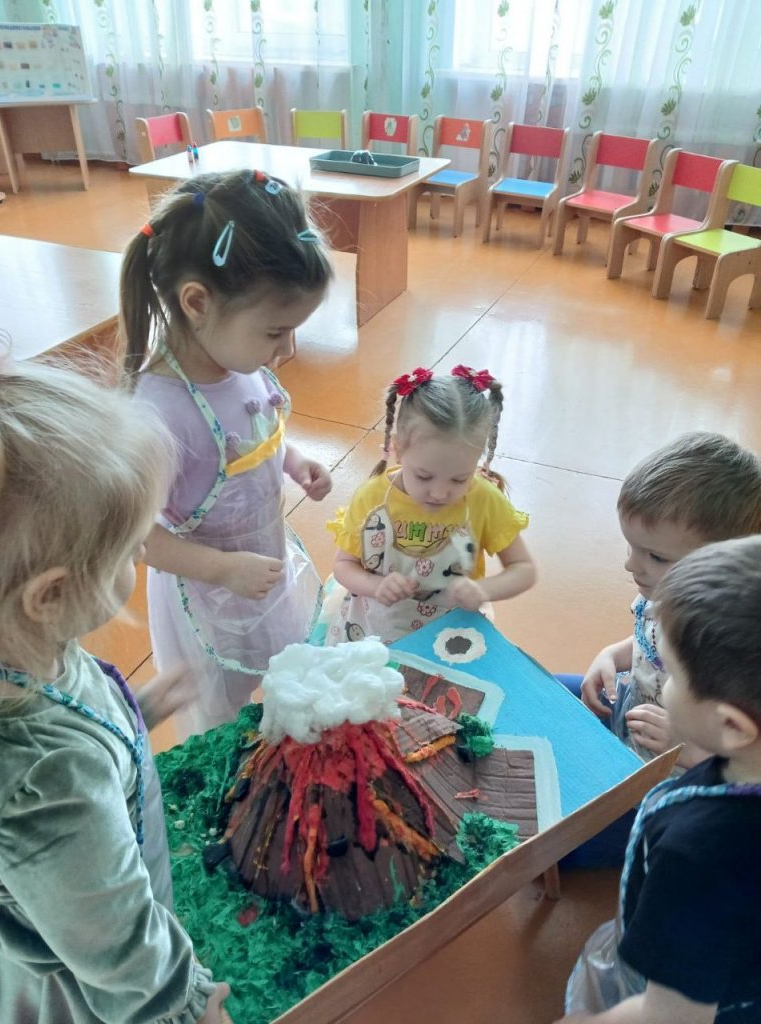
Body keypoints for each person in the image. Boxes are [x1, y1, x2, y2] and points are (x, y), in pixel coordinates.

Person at [0, 357, 229, 1023]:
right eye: (129, 550)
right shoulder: (49, 782)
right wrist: (188, 1006)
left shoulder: (25, 649)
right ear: (50, 595)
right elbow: (119, 948)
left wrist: (136, 714)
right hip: (82, 996)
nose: (142, 557)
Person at [120, 168, 333, 736]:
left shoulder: (239, 362)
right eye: (274, 332)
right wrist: (222, 570)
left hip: (263, 567)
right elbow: (139, 536)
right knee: (221, 718)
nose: (286, 349)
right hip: (206, 592)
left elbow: (252, 433)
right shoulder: (158, 414)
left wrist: (293, 461)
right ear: (197, 302)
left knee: (285, 675)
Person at [557, 536, 761, 1024]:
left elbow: (671, 1015)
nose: (658, 683)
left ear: (732, 727)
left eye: (671, 676)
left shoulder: (697, 858)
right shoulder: (738, 759)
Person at [576, 432, 761, 767]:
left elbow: (750, 757)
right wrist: (612, 655)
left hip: (672, 771)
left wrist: (691, 751)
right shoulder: (661, 592)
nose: (631, 566)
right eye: (632, 547)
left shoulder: (734, 646)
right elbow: (649, 640)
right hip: (631, 716)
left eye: (656, 557)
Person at [323, 364, 535, 645]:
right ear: (397, 449)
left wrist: (484, 589)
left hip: (449, 632)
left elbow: (523, 568)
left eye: (459, 479)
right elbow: (344, 565)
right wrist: (376, 585)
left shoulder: (483, 499)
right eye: (424, 476)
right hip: (373, 627)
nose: (439, 493)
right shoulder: (372, 498)